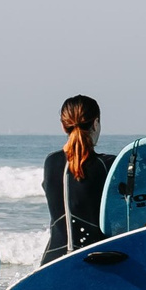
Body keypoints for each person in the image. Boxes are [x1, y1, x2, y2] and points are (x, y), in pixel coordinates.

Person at [41, 95, 114, 265]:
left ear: (63, 126)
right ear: (96, 123)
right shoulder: (107, 165)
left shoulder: (50, 162)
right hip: (97, 261)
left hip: (51, 263)